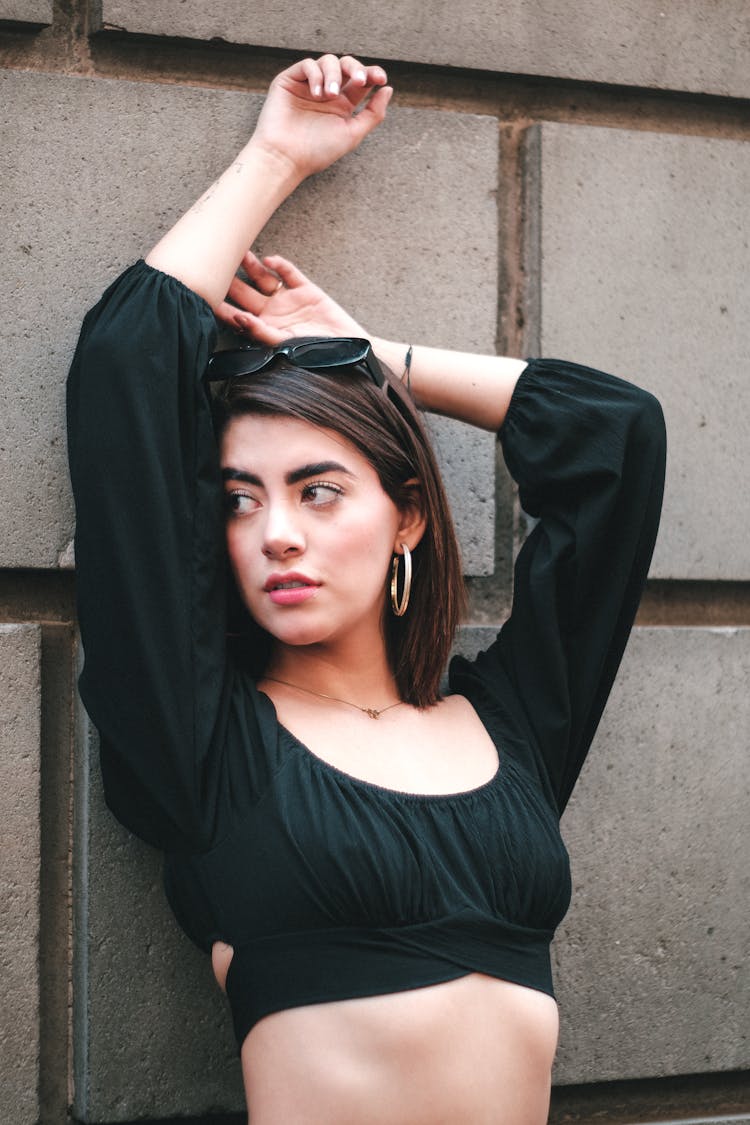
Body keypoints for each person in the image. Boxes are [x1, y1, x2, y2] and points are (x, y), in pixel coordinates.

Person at [67, 53, 666, 1125]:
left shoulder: (513, 724)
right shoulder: (202, 746)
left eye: (319, 489)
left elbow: (613, 436)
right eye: (238, 500)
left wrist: (368, 358)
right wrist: (274, 157)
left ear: (409, 515)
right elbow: (126, 364)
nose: (275, 534)